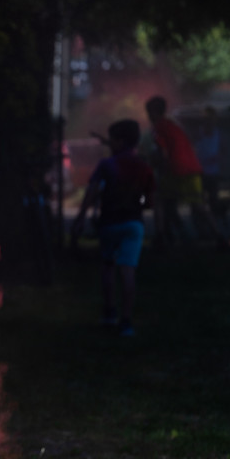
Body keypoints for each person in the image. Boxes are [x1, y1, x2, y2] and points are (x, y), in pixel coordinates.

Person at [70, 119, 156, 337]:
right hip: (133, 223)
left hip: (110, 223)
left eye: (112, 139)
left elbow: (92, 191)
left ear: (119, 141)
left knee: (108, 266)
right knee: (128, 270)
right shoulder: (144, 167)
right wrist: (140, 200)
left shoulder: (107, 165)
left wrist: (81, 217)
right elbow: (148, 198)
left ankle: (109, 313)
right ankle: (126, 322)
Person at [144, 96, 229, 249]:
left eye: (149, 112)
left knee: (159, 200)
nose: (148, 116)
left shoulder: (159, 127)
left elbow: (162, 152)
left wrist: (152, 164)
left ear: (154, 112)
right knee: (198, 205)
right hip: (192, 168)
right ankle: (219, 237)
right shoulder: (173, 125)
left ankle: (160, 237)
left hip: (175, 169)